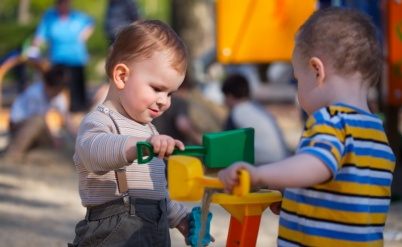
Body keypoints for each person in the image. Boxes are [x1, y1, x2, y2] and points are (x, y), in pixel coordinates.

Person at [218, 7, 396, 247]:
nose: (297, 88)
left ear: (316, 71)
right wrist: (295, 197)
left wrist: (259, 174)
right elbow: (339, 192)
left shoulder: (332, 120)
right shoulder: (377, 134)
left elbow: (316, 163)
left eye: (297, 80)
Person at [69, 20, 197, 247]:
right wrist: (139, 145)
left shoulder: (149, 130)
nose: (164, 101)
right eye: (157, 89)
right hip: (113, 232)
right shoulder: (99, 120)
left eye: (170, 93)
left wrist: (179, 217)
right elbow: (93, 152)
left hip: (153, 232)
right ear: (122, 76)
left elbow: (155, 191)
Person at [31, 0, 94, 112]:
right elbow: (40, 35)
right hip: (58, 57)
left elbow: (90, 23)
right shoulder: (50, 17)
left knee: (77, 87)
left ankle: (78, 110)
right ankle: (62, 110)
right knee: (59, 85)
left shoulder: (77, 16)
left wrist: (84, 35)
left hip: (76, 57)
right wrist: (34, 48)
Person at [4, 64, 70, 161]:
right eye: (53, 91)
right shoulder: (35, 93)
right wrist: (53, 138)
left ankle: (32, 151)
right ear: (46, 85)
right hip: (19, 125)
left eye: (58, 92)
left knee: (58, 143)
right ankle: (12, 153)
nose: (55, 95)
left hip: (37, 128)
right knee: (39, 121)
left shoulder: (59, 96)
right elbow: (38, 120)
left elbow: (67, 118)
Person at [221, 73, 291, 165]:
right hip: (284, 160)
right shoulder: (257, 107)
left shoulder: (236, 112)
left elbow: (222, 145)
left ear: (229, 96)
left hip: (264, 164)